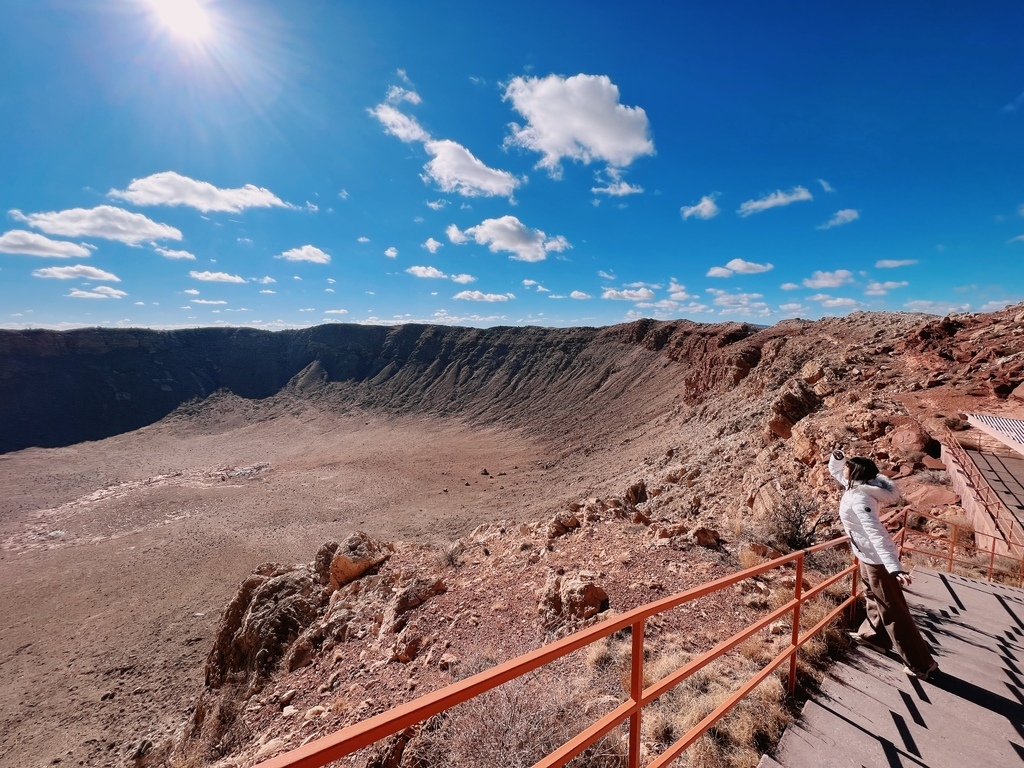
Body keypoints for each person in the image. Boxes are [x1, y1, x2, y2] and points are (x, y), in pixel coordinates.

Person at [828, 448, 939, 680]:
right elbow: (836, 472)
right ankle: (875, 637)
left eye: (848, 466)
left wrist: (894, 567)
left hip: (879, 561)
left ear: (856, 474)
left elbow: (877, 534)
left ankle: (921, 664)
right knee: (872, 596)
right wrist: (838, 458)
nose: (844, 469)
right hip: (866, 555)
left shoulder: (861, 499)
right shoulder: (855, 485)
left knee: (893, 611)